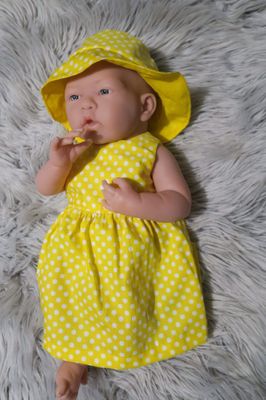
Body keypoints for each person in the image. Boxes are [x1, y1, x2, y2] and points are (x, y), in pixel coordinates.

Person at [36, 29, 207, 400]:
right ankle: (73, 357)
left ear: (145, 107)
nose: (85, 105)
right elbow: (46, 189)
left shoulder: (150, 149)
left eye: (103, 92)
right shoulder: (75, 150)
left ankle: (145, 349)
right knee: (71, 300)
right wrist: (56, 164)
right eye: (75, 96)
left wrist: (137, 205)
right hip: (77, 248)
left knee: (132, 301)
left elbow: (179, 202)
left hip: (136, 248)